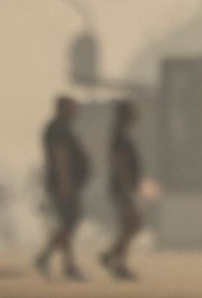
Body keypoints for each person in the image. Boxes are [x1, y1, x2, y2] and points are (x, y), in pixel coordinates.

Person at [34, 95, 90, 281]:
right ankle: (48, 257)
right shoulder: (59, 130)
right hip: (63, 185)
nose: (76, 112)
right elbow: (61, 159)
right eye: (72, 108)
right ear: (63, 109)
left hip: (64, 184)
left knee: (67, 225)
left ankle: (66, 264)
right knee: (68, 224)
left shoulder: (60, 128)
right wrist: (66, 186)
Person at [99, 100, 143, 280]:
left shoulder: (122, 136)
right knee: (132, 223)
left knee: (130, 225)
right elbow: (120, 165)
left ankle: (112, 257)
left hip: (123, 187)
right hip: (122, 188)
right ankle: (118, 263)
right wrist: (127, 189)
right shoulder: (120, 138)